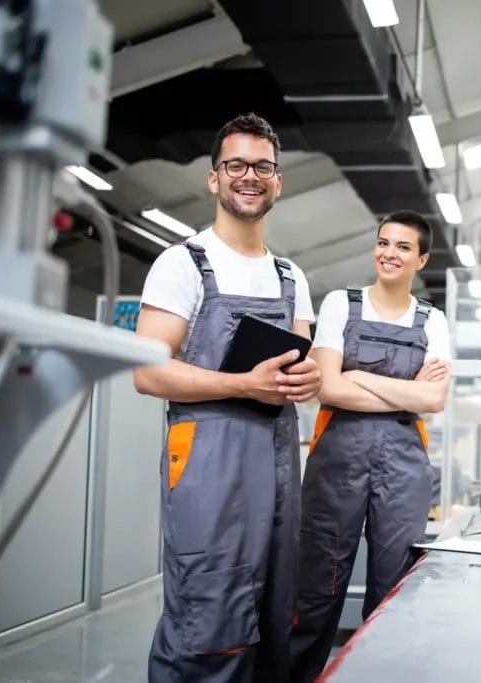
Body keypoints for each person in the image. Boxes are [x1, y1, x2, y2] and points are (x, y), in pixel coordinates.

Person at [133, 112, 320, 683]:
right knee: (208, 617)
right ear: (214, 177)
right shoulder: (182, 263)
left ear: (278, 181)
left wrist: (307, 382)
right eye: (236, 165)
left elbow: (302, 365)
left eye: (263, 167)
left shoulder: (291, 276)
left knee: (274, 612)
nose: (250, 176)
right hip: (208, 458)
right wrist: (242, 384)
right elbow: (147, 371)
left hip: (278, 460)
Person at [290, 210, 451, 682]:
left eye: (403, 247)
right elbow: (329, 389)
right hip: (337, 462)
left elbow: (433, 399)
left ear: (421, 259)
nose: (389, 253)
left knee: (392, 593)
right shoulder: (341, 304)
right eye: (383, 243)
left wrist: (358, 376)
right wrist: (405, 390)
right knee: (316, 592)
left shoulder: (433, 319)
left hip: (403, 467)